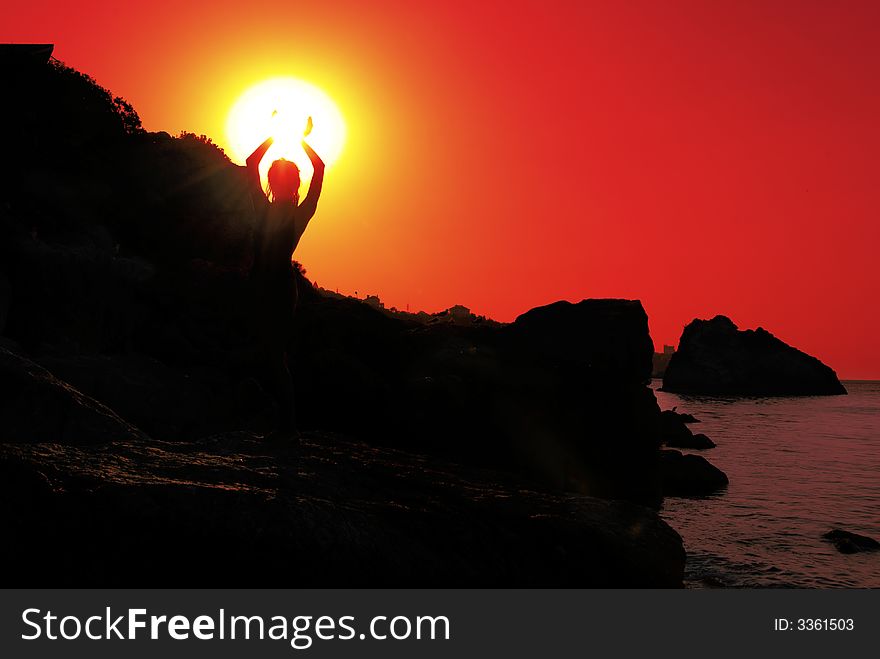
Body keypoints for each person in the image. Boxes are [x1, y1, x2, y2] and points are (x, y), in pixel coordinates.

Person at [246, 116, 325, 436]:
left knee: (271, 355)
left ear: (272, 182)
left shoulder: (264, 208)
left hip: (267, 284)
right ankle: (283, 424)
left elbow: (251, 161)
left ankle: (286, 427)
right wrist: (302, 139)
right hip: (276, 285)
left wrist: (275, 134)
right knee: (273, 355)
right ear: (295, 184)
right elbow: (319, 170)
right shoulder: (301, 213)